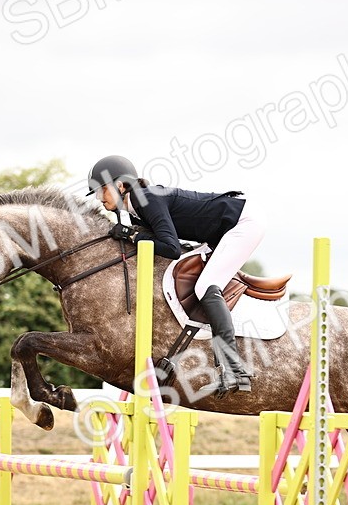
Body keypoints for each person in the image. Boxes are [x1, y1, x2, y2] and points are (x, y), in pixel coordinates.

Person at [86, 155, 264, 396]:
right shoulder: (137, 206)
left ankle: (234, 369)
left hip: (241, 224)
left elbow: (169, 248)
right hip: (220, 233)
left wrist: (131, 235)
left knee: (205, 287)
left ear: (119, 186)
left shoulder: (146, 199)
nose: (100, 198)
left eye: (102, 191)